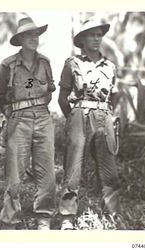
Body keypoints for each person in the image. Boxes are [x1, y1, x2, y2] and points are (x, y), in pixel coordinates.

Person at [58, 17, 121, 229]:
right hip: (79, 115)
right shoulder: (73, 63)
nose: (96, 39)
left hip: (104, 117)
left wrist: (108, 115)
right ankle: (67, 217)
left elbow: (115, 95)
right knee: (73, 168)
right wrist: (74, 117)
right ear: (82, 39)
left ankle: (111, 214)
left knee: (108, 168)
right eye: (91, 35)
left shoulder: (110, 66)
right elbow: (62, 96)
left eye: (98, 35)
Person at [0, 17, 57, 230]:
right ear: (20, 39)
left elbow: (50, 91)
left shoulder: (45, 62)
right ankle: (10, 218)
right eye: (29, 35)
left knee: (46, 167)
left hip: (42, 115)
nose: (34, 38)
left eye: (36, 34)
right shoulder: (8, 65)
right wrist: (11, 113)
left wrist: (39, 109)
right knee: (15, 170)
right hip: (18, 118)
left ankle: (44, 216)